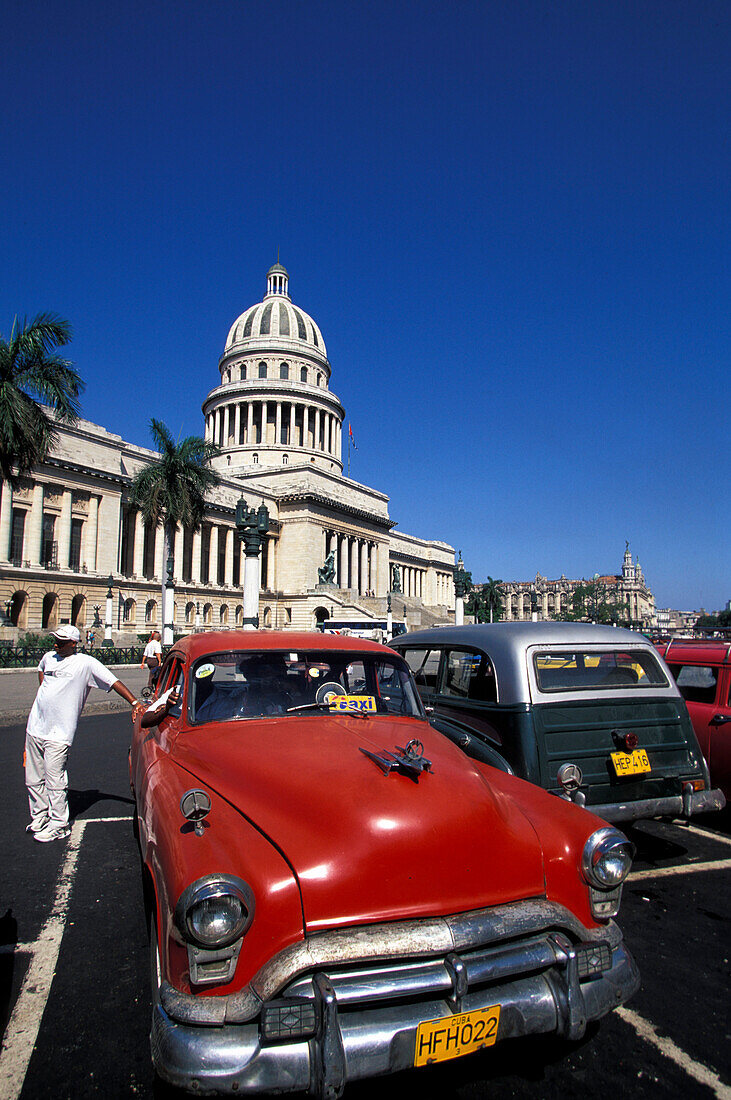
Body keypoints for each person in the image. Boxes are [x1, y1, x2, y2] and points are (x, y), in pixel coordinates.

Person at [25, 624, 138, 842]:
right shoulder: (49, 657)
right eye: (55, 639)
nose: (55, 643)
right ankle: (39, 815)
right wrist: (46, 694)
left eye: (61, 640)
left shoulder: (86, 663)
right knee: (33, 778)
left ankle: (59, 824)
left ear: (74, 643)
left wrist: (134, 702)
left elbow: (113, 681)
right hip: (35, 727)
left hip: (59, 732)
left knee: (54, 778)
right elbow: (41, 671)